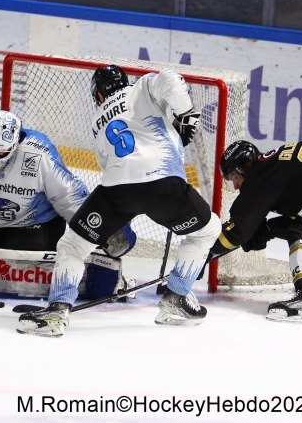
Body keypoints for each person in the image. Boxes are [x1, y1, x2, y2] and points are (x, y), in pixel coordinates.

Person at [17, 65, 222, 337]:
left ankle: (57, 310)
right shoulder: (142, 87)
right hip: (164, 187)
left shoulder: (97, 120)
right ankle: (177, 298)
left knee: (73, 245)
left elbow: (109, 162)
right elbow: (170, 78)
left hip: (117, 191)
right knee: (206, 231)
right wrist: (187, 114)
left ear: (99, 95)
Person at [0, 110, 135, 287]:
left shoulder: (38, 153)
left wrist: (102, 228)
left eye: (4, 152)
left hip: (35, 224)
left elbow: (67, 195)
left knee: (21, 275)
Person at [210, 139, 302, 323]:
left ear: (245, 167)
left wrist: (205, 251)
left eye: (234, 177)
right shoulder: (275, 166)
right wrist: (268, 229)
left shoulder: (260, 175)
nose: (234, 186)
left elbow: (238, 231)